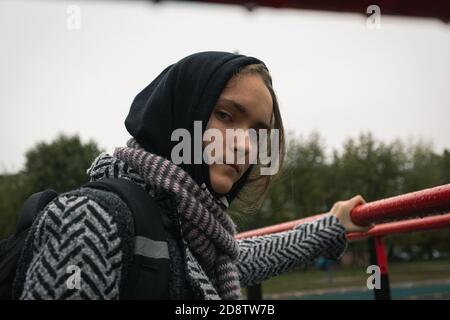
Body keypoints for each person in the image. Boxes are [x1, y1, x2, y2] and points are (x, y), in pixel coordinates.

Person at [13, 51, 371, 300]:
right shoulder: (92, 218)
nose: (245, 146)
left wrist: (331, 227)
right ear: (181, 113)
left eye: (257, 133)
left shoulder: (191, 234)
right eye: (226, 116)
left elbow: (236, 259)